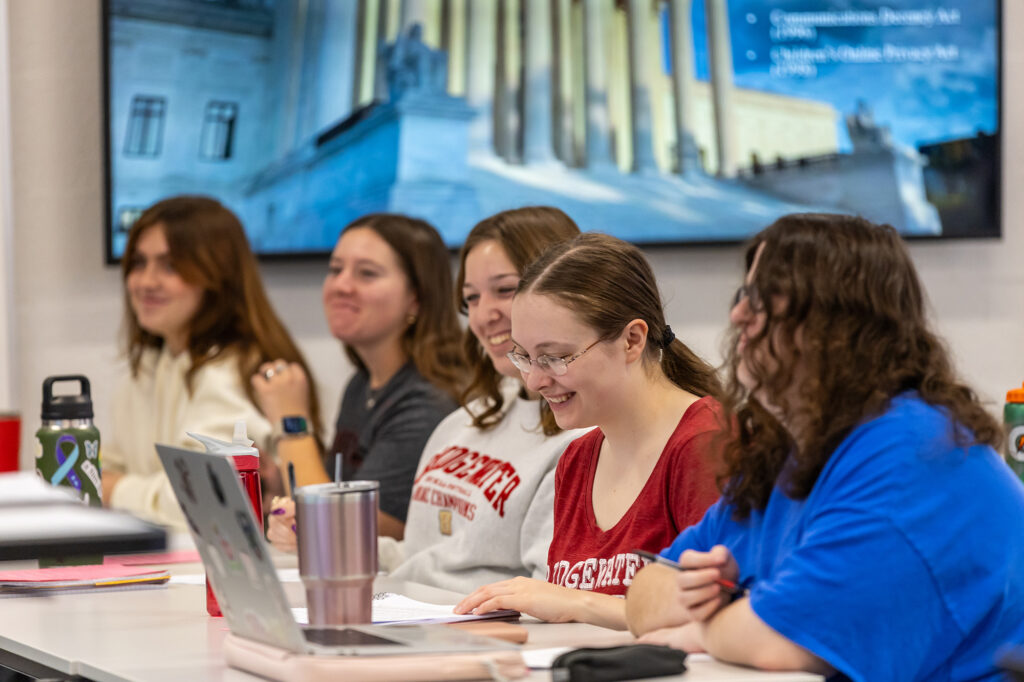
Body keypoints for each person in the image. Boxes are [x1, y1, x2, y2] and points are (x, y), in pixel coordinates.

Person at [625, 214, 1024, 681]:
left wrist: (704, 626)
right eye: (741, 297)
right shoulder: (793, 451)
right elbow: (642, 595)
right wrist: (698, 599)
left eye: (758, 298)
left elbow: (779, 645)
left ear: (835, 318)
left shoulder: (915, 451)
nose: (737, 316)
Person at [454, 232, 723, 630]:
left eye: (555, 357)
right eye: (525, 357)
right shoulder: (578, 458)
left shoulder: (705, 444)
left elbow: (725, 612)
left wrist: (579, 603)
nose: (534, 381)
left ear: (632, 340)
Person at [101, 195, 321, 530]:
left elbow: (204, 501)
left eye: (170, 266)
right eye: (139, 263)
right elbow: (102, 471)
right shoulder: (148, 367)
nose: (145, 281)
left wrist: (115, 489)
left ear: (216, 276)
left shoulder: (232, 371)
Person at [254, 213, 465, 540]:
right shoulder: (363, 384)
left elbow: (346, 529)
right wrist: (277, 481)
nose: (341, 285)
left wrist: (292, 422)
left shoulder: (426, 403)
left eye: (367, 273)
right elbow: (333, 490)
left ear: (417, 298)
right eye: (336, 270)